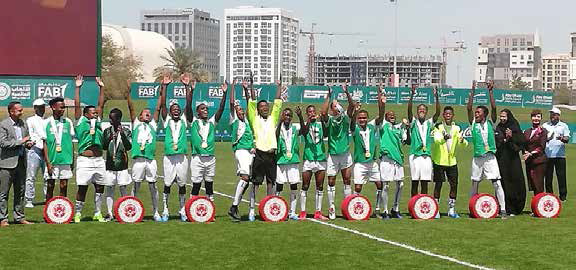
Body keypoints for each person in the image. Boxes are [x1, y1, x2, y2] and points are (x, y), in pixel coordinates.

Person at [246, 74, 284, 221]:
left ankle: (269, 208)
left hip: (272, 155)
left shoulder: (273, 118)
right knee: (255, 183)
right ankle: (251, 209)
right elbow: (252, 102)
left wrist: (279, 86)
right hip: (259, 154)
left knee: (271, 182)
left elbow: (278, 102)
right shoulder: (254, 118)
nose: (265, 108)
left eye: (266, 106)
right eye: (262, 107)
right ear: (258, 109)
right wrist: (251, 85)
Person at [467, 81, 507, 219]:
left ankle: (503, 210)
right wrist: (472, 91)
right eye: (476, 112)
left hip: (490, 158)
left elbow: (494, 107)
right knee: (475, 183)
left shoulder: (490, 122)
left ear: (484, 114)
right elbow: (468, 108)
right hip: (478, 158)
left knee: (497, 183)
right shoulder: (473, 123)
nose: (476, 114)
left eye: (478, 112)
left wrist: (490, 91)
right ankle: (472, 209)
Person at [73, 75, 107, 223]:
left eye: (96, 113)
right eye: (93, 112)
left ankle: (97, 212)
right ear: (86, 114)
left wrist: (101, 88)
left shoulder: (97, 121)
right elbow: (77, 105)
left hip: (99, 160)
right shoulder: (81, 121)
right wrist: (78, 88)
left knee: (100, 187)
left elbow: (101, 104)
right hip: (85, 160)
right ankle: (78, 213)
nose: (95, 114)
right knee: (82, 187)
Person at [127, 80, 163, 222]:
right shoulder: (136, 124)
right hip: (138, 160)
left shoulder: (153, 125)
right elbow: (130, 108)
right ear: (140, 117)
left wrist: (161, 94)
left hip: (150, 160)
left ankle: (156, 212)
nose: (148, 114)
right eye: (145, 113)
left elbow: (158, 109)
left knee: (153, 185)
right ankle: (132, 211)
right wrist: (128, 93)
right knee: (136, 185)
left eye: (149, 113)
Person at [159, 74, 191, 222]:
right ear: (170, 112)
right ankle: (165, 209)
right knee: (167, 184)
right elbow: (163, 104)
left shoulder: (184, 119)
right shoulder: (166, 121)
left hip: (182, 157)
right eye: (174, 109)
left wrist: (186, 87)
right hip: (169, 157)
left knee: (182, 184)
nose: (176, 110)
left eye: (178, 109)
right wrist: (165, 86)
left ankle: (182, 209)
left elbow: (189, 104)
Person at [188, 81, 228, 201]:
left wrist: (224, 93)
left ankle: (210, 209)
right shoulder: (193, 122)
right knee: (196, 184)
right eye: (202, 109)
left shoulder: (211, 123)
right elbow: (188, 106)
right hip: (197, 158)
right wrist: (191, 90)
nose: (206, 110)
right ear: (197, 112)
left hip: (210, 158)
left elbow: (221, 109)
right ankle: (191, 207)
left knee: (209, 184)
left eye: (206, 109)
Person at [321, 83, 355, 220]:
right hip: (333, 156)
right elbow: (322, 113)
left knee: (347, 180)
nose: (338, 106)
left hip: (345, 154)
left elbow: (352, 107)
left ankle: (348, 207)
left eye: (338, 105)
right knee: (331, 181)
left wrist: (347, 93)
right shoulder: (329, 119)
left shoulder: (346, 118)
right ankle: (332, 207)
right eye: (335, 105)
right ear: (332, 109)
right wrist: (329, 95)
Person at [350, 85, 384, 218]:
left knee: (380, 185)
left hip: (372, 162)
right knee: (358, 187)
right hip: (360, 163)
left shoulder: (371, 126)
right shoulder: (355, 129)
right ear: (358, 119)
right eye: (360, 118)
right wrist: (354, 112)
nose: (363, 120)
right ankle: (355, 208)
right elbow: (352, 123)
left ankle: (377, 209)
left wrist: (379, 97)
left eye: (364, 117)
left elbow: (381, 115)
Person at [0, 101, 35, 226]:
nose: (22, 112)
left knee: (20, 191)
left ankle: (19, 217)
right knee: (3, 193)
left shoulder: (23, 123)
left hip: (21, 162)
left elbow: (25, 141)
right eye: (19, 110)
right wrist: (21, 141)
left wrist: (28, 144)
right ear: (11, 111)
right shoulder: (3, 125)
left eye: (22, 110)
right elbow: (3, 143)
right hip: (6, 164)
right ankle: (2, 219)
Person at [431, 106, 467, 218]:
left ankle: (451, 210)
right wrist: (443, 138)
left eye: (449, 114)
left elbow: (464, 144)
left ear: (452, 115)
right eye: (446, 114)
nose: (448, 116)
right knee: (438, 185)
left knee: (454, 185)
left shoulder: (457, 128)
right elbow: (436, 140)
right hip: (439, 161)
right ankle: (436, 210)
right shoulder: (438, 127)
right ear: (443, 115)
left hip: (452, 162)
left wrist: (462, 141)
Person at [228, 81, 256, 222]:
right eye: (238, 110)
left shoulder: (248, 122)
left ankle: (237, 206)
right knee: (245, 177)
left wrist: (246, 89)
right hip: (241, 151)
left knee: (250, 180)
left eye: (241, 110)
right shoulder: (234, 121)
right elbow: (232, 104)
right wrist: (233, 86)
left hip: (251, 152)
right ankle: (233, 206)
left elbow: (250, 102)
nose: (240, 111)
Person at [407, 85, 440, 196]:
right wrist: (412, 95)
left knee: (425, 182)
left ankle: (423, 204)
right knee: (415, 181)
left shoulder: (429, 123)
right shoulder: (413, 122)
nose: (422, 111)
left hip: (426, 155)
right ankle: (413, 205)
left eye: (424, 110)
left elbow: (438, 113)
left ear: (426, 112)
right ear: (417, 112)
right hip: (415, 155)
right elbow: (409, 110)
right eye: (420, 110)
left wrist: (437, 97)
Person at [378, 107, 410, 219]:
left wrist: (407, 127)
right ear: (386, 117)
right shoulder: (383, 126)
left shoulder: (398, 129)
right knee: (385, 185)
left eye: (393, 114)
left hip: (398, 159)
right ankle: (385, 210)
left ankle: (395, 209)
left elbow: (407, 141)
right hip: (386, 158)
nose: (392, 115)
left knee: (400, 185)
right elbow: (381, 114)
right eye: (389, 114)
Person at [298, 104, 329, 221]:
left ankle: (318, 212)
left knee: (320, 186)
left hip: (320, 159)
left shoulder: (320, 125)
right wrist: (306, 120)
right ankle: (302, 212)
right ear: (307, 114)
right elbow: (304, 132)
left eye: (313, 111)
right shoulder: (306, 125)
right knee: (305, 185)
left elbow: (326, 134)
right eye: (309, 112)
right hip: (308, 159)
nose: (312, 113)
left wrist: (322, 119)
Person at [102, 107, 132, 221]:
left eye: (112, 118)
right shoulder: (107, 131)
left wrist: (122, 135)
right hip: (110, 165)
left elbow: (129, 147)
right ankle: (109, 213)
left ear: (118, 119)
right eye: (110, 118)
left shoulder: (126, 131)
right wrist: (109, 138)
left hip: (122, 165)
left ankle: (125, 211)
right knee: (109, 189)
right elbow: (104, 147)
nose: (110, 121)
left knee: (123, 188)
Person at [43, 97, 75, 201]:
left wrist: (72, 159)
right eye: (61, 107)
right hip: (52, 160)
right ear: (53, 107)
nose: (63, 109)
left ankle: (63, 211)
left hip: (65, 159)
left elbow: (71, 142)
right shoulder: (46, 122)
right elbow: (45, 144)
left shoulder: (68, 122)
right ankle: (47, 211)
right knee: (50, 186)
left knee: (64, 186)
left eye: (64, 107)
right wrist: (48, 162)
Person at [495, 109, 526, 215]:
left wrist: (512, 136)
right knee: (503, 183)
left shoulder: (514, 126)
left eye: (504, 116)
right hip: (502, 160)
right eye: (501, 116)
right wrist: (504, 139)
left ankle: (515, 208)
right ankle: (503, 207)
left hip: (513, 160)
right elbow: (496, 142)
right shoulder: (498, 127)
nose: (502, 118)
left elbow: (521, 141)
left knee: (515, 182)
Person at [275, 107, 303, 220]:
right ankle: (276, 209)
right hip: (281, 160)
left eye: (289, 115)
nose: (288, 117)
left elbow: (304, 131)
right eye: (286, 115)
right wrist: (280, 121)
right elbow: (275, 136)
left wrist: (300, 116)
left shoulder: (295, 128)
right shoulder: (278, 128)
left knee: (294, 185)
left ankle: (292, 212)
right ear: (282, 116)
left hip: (293, 160)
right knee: (279, 185)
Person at [542, 107, 570, 201]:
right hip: (548, 155)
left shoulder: (563, 126)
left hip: (560, 156)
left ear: (558, 115)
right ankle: (550, 195)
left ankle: (563, 196)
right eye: (551, 114)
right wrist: (547, 139)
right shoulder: (545, 125)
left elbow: (567, 138)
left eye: (554, 114)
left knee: (561, 177)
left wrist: (562, 138)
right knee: (548, 177)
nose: (552, 116)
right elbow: (541, 138)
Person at [24, 98, 47, 207]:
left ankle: (48, 198)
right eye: (39, 107)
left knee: (47, 176)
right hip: (35, 151)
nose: (42, 109)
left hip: (47, 152)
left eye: (43, 106)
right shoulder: (30, 120)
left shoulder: (48, 120)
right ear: (35, 108)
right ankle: (29, 199)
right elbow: (30, 135)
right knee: (31, 176)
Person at [523, 110, 548, 196]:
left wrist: (531, 153)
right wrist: (525, 151)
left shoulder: (543, 131)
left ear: (541, 118)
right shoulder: (526, 131)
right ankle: (536, 205)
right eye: (534, 116)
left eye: (538, 116)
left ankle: (540, 205)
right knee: (532, 184)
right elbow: (523, 144)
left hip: (539, 161)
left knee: (539, 185)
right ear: (531, 118)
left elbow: (541, 147)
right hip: (529, 162)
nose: (536, 118)